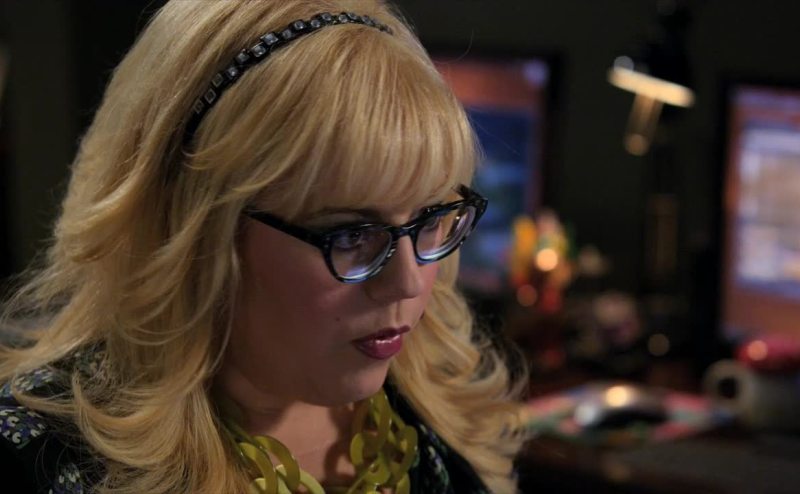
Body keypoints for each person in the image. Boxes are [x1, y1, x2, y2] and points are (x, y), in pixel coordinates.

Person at [0, 1, 528, 492]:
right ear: (197, 233)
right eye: (350, 235)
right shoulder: (40, 460)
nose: (408, 283)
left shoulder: (439, 394)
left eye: (430, 219)